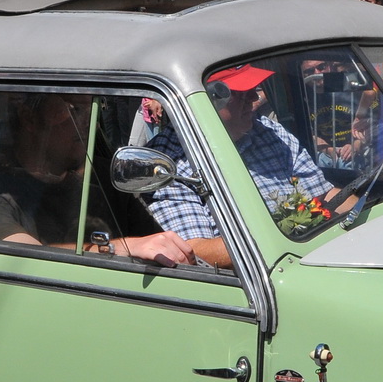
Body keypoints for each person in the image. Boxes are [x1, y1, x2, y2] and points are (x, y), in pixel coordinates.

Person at [145, 64, 338, 268]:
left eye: (254, 91)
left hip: (308, 256)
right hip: (251, 281)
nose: (255, 100)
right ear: (210, 100)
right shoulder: (168, 164)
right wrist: (286, 231)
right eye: (242, 94)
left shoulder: (268, 130)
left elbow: (324, 195)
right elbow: (194, 251)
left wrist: (363, 213)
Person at [0, 93, 194, 265]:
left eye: (93, 109)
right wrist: (124, 248)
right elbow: (29, 261)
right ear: (29, 118)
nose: (88, 123)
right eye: (74, 110)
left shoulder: (107, 176)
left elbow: (156, 240)